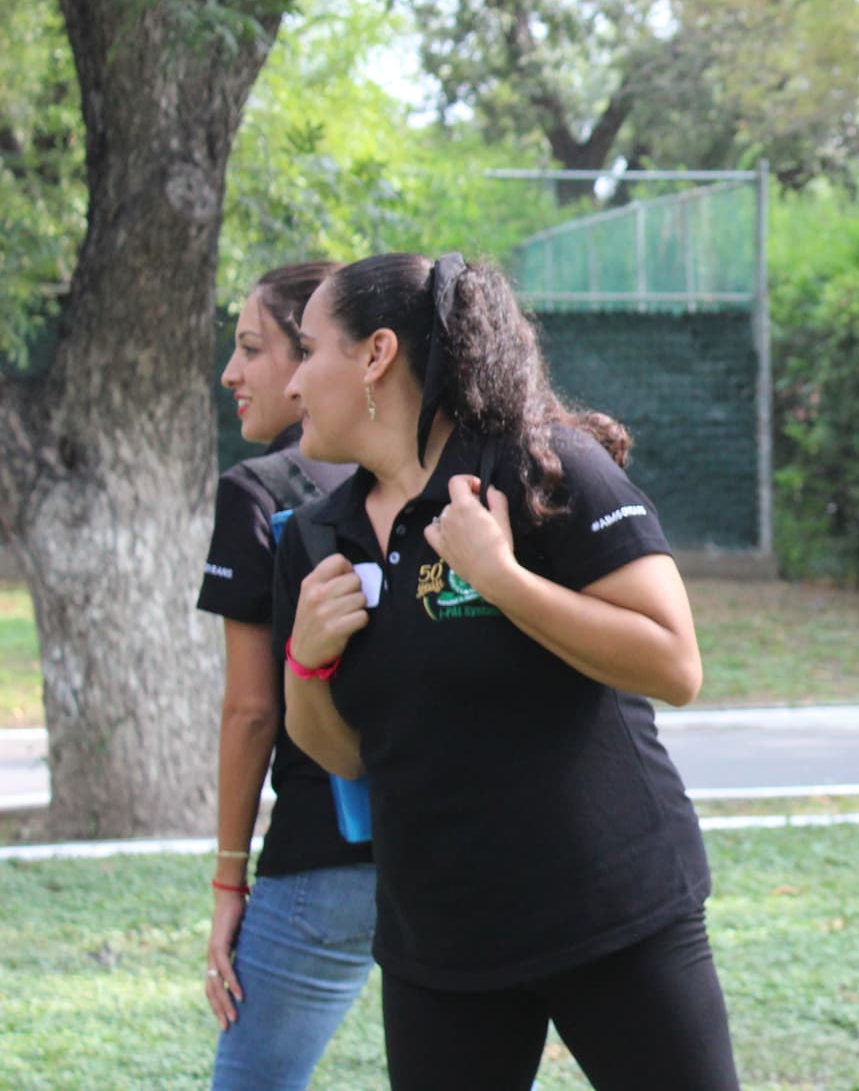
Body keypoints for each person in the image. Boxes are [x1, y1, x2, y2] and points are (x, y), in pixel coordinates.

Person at [277, 252, 739, 1091]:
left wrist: (504, 580)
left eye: (308, 350)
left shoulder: (543, 467)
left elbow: (674, 662)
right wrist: (303, 662)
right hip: (438, 943)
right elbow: (346, 755)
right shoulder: (319, 535)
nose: (293, 382)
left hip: (611, 913)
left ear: (376, 353)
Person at [198, 260, 371, 1090]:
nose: (232, 372)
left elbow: (251, 714)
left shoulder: (259, 490)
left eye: (252, 348)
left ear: (313, 357)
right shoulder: (415, 476)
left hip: (321, 868)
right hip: (444, 854)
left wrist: (228, 879)